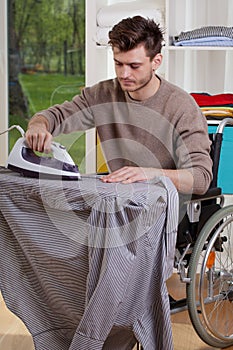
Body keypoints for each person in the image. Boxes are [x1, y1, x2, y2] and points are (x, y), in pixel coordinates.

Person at [25, 16, 212, 195]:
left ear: (156, 62)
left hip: (165, 209)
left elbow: (200, 178)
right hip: (119, 202)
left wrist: (150, 174)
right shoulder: (103, 94)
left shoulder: (182, 107)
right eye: (118, 64)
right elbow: (56, 117)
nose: (124, 74)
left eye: (134, 66)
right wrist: (38, 125)